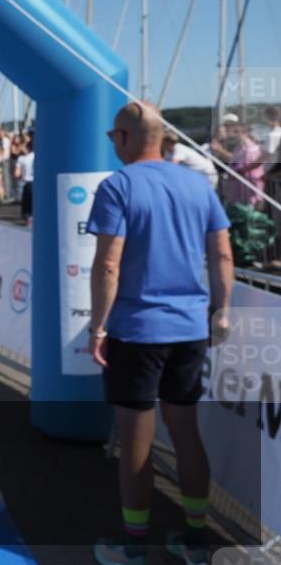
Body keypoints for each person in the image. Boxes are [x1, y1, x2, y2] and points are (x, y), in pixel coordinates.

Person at [88, 102, 233, 565]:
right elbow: (222, 257)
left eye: (114, 137)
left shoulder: (118, 186)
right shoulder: (198, 184)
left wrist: (97, 325)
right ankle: (195, 539)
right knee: (186, 432)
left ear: (127, 138)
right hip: (190, 328)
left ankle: (134, 545)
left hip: (137, 330)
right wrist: (221, 310)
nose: (114, 145)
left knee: (135, 437)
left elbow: (108, 264)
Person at [14, 136, 34, 227]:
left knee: (27, 203)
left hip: (27, 182)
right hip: (37, 182)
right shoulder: (37, 155)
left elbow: (16, 174)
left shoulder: (21, 159)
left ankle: (29, 219)